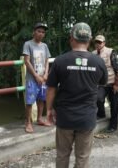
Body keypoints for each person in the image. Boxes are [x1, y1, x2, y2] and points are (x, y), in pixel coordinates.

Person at [45, 22, 108, 168]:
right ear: (89, 40)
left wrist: (48, 110)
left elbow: (51, 89)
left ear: (71, 38)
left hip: (65, 116)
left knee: (62, 154)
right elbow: (102, 83)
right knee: (82, 157)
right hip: (87, 117)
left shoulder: (60, 61)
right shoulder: (98, 62)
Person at [22, 22, 51, 133]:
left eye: (43, 32)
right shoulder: (28, 44)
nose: (41, 34)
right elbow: (27, 61)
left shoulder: (44, 46)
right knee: (30, 101)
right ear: (34, 32)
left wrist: (46, 74)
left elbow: (47, 60)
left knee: (41, 99)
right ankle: (28, 122)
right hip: (32, 79)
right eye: (39, 31)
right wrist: (36, 76)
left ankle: (39, 118)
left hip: (43, 78)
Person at [92, 35, 118, 132]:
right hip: (100, 83)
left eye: (100, 42)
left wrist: (117, 84)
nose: (98, 44)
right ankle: (101, 114)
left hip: (112, 81)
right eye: (96, 42)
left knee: (114, 104)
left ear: (104, 43)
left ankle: (113, 125)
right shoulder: (93, 53)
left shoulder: (110, 52)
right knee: (98, 98)